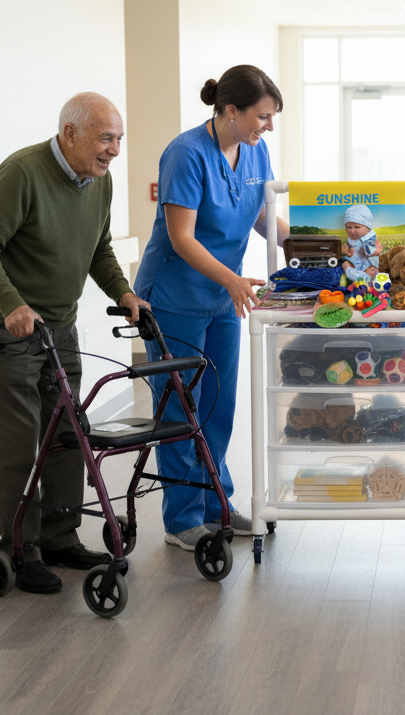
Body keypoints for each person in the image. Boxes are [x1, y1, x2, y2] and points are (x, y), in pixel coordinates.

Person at [0, 92, 147, 594]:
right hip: (8, 325)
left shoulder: (98, 183)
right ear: (70, 133)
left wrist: (124, 292)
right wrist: (11, 304)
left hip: (58, 325)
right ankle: (19, 548)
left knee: (67, 430)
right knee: (19, 440)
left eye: (118, 140)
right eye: (105, 138)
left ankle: (60, 537)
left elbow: (99, 249)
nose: (113, 150)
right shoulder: (22, 172)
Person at [133, 65, 290, 551]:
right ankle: (183, 519)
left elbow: (263, 217)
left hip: (224, 294)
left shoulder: (255, 151)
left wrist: (310, 247)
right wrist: (233, 280)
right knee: (182, 405)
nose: (268, 127)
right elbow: (181, 239)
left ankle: (216, 502)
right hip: (176, 296)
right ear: (230, 111)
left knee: (219, 402)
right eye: (262, 117)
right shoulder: (185, 154)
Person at [341, 203, 381, 278]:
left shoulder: (371, 238)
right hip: (354, 265)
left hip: (367, 265)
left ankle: (365, 278)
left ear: (367, 227)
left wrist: (372, 251)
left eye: (357, 227)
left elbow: (378, 250)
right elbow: (344, 249)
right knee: (345, 264)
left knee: (372, 270)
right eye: (349, 227)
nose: (352, 231)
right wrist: (346, 251)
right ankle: (358, 277)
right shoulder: (350, 240)